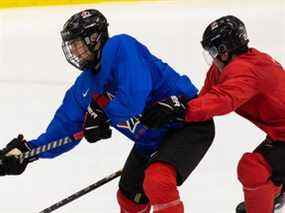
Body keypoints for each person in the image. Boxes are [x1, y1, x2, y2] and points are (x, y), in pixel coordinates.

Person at [0, 9, 215, 213]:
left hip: (187, 124)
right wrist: (29, 152)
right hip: (152, 139)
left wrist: (102, 114)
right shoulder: (84, 87)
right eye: (70, 45)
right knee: (129, 196)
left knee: (157, 180)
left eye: (76, 43)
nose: (73, 50)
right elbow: (64, 131)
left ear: (94, 38)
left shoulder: (121, 47)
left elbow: (134, 98)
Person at [143, 15, 285, 213]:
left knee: (253, 169)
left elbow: (223, 99)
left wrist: (183, 109)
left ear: (224, 51)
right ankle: (274, 192)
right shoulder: (224, 69)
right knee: (258, 169)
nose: (211, 57)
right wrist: (176, 126)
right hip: (280, 135)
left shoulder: (246, 69)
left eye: (212, 51)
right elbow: (204, 100)